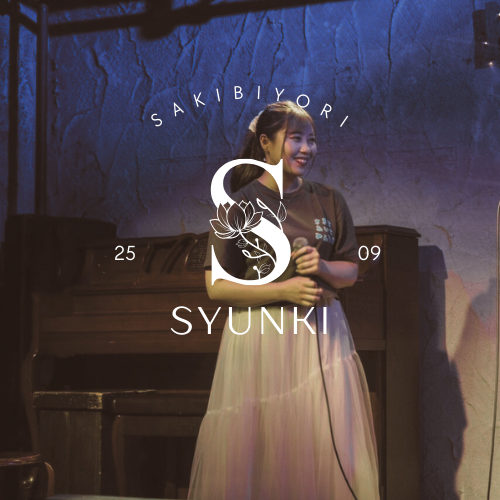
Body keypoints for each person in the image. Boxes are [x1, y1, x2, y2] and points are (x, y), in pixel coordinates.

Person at [187, 101, 380, 500]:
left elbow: (350, 271)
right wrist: (283, 291)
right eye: (296, 138)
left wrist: (322, 266)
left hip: (322, 336)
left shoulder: (329, 199)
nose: (307, 148)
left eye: (312, 140)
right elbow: (216, 286)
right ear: (265, 143)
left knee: (322, 440)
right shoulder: (237, 204)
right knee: (262, 444)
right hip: (261, 337)